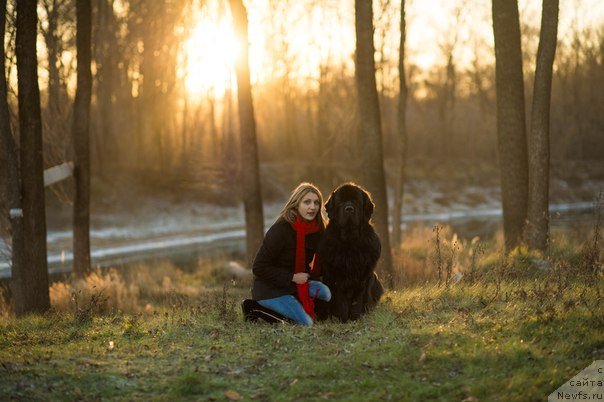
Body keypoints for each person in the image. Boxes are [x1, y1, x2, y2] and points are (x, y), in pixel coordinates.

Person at [244, 182, 331, 326]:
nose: (312, 207)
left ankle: (295, 304)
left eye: (316, 202)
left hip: (295, 286)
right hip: (271, 289)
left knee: (325, 292)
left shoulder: (317, 229)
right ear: (297, 204)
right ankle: (254, 308)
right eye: (307, 202)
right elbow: (258, 267)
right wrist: (293, 277)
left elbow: (325, 257)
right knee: (305, 323)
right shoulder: (281, 230)